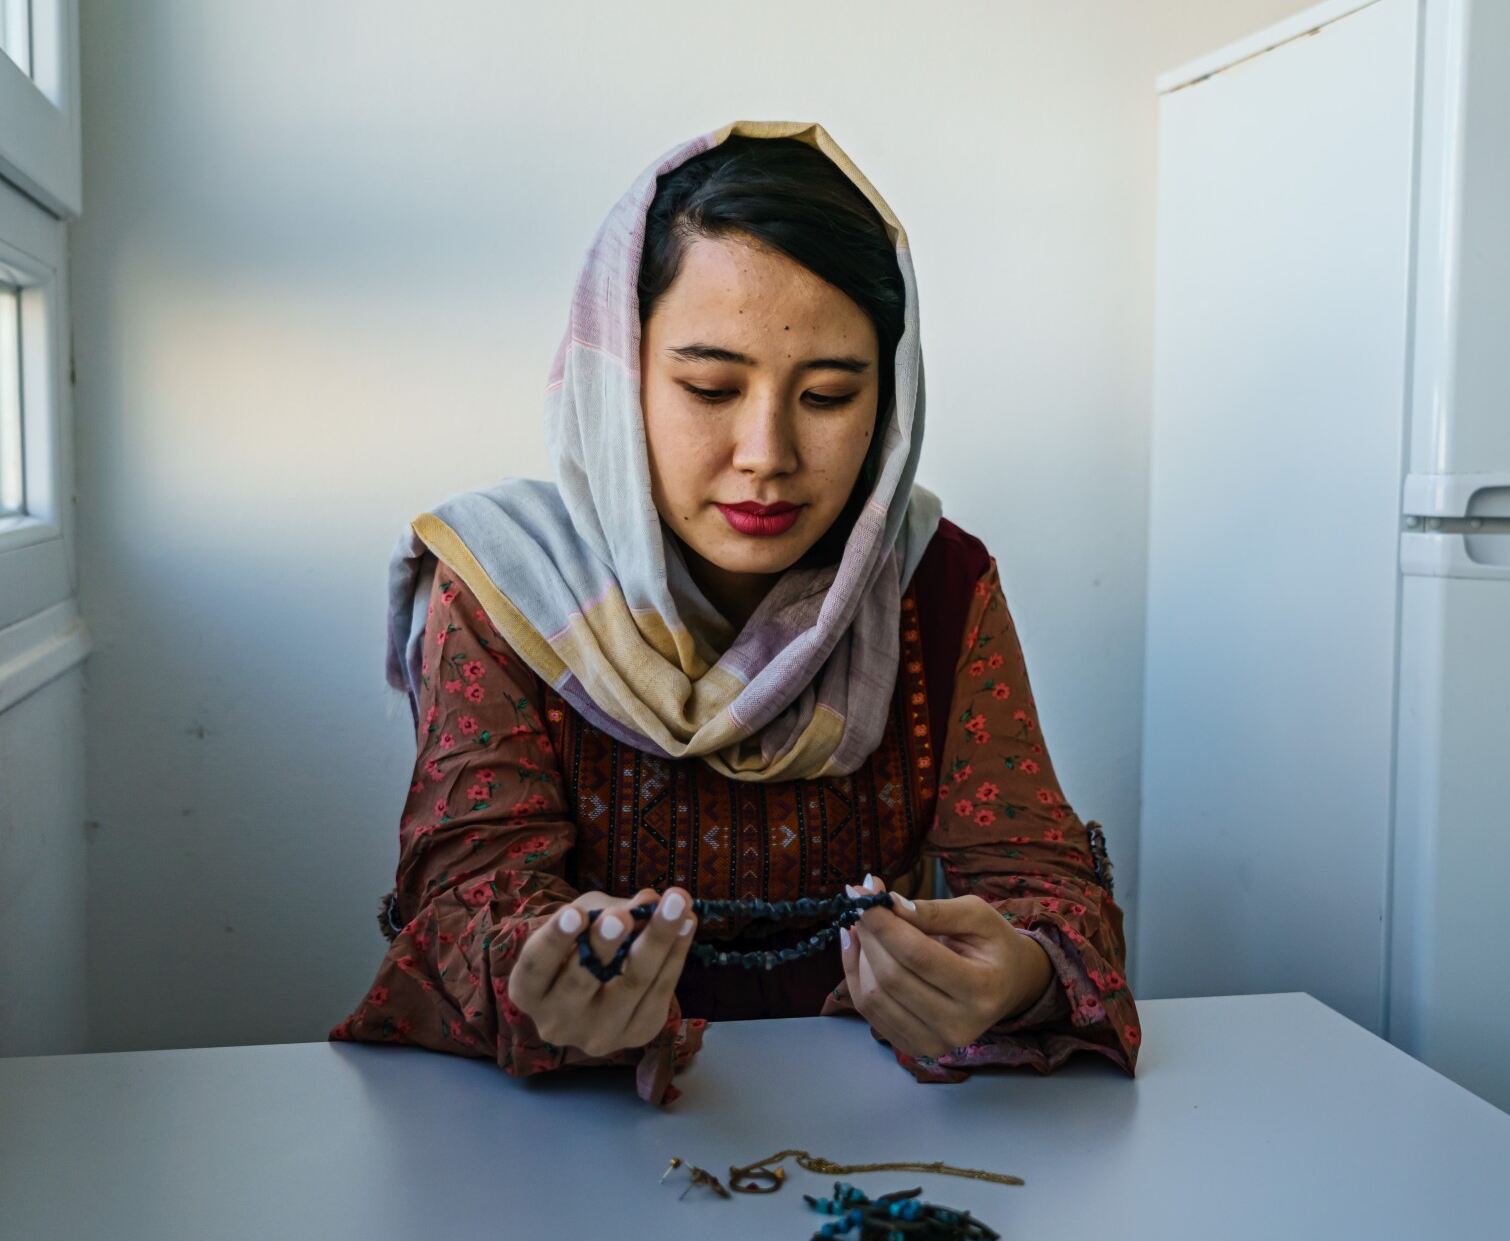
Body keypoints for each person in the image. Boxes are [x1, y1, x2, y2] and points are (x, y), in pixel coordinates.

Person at [331, 122, 1140, 1106]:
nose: (765, 451)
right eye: (709, 387)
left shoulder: (930, 582)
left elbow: (1047, 891)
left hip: (869, 1124)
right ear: (617, 377)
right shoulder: (512, 588)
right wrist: (536, 977)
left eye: (830, 394)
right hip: (560, 1151)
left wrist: (1015, 975)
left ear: (891, 405)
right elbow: (459, 908)